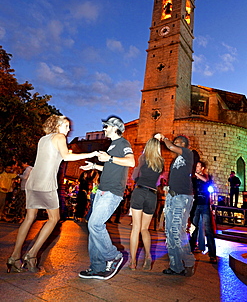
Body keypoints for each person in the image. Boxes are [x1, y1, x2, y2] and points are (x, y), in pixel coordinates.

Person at [7, 114, 98, 273]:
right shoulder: (59, 137)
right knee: (54, 218)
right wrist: (91, 154)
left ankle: (14, 257)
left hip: (32, 182)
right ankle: (32, 255)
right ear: (57, 125)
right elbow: (66, 156)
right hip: (46, 183)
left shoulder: (43, 139)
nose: (69, 129)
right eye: (66, 126)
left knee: (29, 218)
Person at [79, 115, 135, 280]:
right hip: (102, 190)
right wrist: (95, 165)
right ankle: (97, 267)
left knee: (95, 225)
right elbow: (111, 168)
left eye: (106, 126)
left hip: (112, 192)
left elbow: (131, 162)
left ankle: (113, 256)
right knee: (93, 227)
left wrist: (109, 158)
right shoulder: (112, 146)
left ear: (115, 128)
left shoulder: (123, 143)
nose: (104, 129)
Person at [155, 133, 195, 276]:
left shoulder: (188, 154)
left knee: (178, 231)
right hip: (172, 197)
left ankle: (189, 263)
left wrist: (163, 138)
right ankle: (175, 266)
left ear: (185, 145)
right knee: (170, 232)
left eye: (180, 142)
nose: (176, 143)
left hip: (182, 197)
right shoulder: (174, 161)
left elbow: (170, 146)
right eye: (175, 141)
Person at [129, 137, 164, 270]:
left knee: (135, 228)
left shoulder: (143, 158)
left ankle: (133, 262)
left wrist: (138, 177)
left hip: (140, 192)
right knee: (145, 229)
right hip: (152, 195)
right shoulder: (161, 162)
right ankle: (148, 256)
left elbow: (134, 176)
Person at [190, 161, 217, 264]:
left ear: (202, 168)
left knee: (208, 230)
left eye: (198, 166)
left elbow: (206, 181)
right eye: (195, 166)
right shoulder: (193, 179)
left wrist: (195, 173)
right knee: (194, 228)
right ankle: (191, 250)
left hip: (205, 205)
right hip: (196, 205)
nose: (196, 168)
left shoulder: (206, 176)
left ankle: (212, 254)